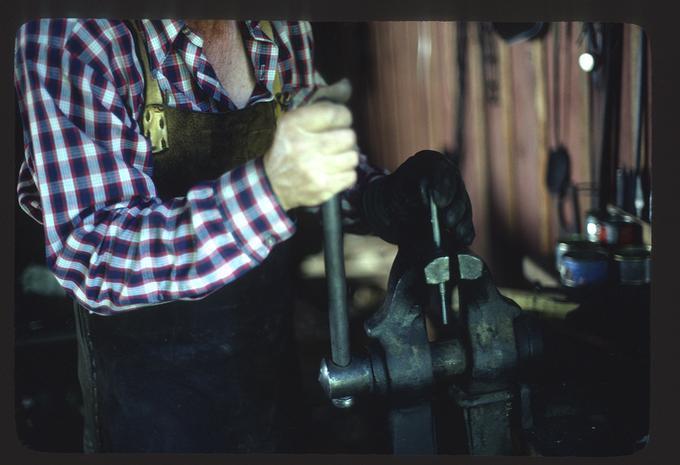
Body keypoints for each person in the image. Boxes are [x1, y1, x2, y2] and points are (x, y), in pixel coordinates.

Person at [14, 19, 475, 453]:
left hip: (271, 385)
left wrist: (378, 197)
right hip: (153, 417)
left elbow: (308, 156)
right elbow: (96, 254)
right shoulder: (72, 33)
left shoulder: (279, 24)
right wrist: (270, 192)